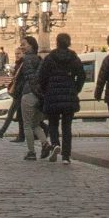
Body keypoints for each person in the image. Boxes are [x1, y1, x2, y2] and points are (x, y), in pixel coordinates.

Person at [36, 32, 84, 163]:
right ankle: (66, 156)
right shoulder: (74, 57)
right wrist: (75, 89)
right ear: (68, 42)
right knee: (67, 126)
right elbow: (82, 75)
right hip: (69, 94)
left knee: (53, 123)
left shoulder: (50, 58)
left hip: (52, 95)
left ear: (57, 43)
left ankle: (56, 144)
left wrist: (46, 91)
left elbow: (41, 77)